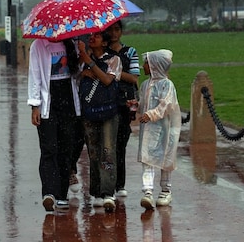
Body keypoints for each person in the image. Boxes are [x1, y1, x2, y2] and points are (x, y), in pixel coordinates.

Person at [28, 38, 80, 212]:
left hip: (69, 102)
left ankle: (62, 194)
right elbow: (34, 75)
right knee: (49, 148)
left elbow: (78, 74)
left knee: (66, 148)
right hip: (47, 102)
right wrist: (35, 105)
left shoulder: (72, 43)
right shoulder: (38, 45)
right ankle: (49, 193)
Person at [77, 31, 122, 212]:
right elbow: (75, 79)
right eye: (91, 36)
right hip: (89, 112)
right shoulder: (81, 61)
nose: (92, 38)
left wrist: (89, 61)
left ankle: (108, 191)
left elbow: (106, 80)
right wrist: (82, 71)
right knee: (93, 152)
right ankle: (95, 191)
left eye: (97, 36)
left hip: (109, 112)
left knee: (108, 150)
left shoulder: (114, 60)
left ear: (104, 42)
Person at [137, 49, 182, 210]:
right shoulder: (145, 85)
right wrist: (135, 106)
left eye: (147, 63)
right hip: (149, 129)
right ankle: (147, 191)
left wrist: (151, 114)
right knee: (147, 158)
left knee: (165, 158)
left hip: (166, 128)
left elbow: (166, 105)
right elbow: (142, 102)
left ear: (156, 65)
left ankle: (165, 190)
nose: (144, 67)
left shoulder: (167, 85)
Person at [107, 20, 140, 199]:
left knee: (120, 144)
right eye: (110, 30)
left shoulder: (130, 52)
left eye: (117, 29)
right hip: (106, 102)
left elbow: (134, 78)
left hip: (125, 103)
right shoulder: (102, 52)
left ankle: (120, 184)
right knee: (107, 145)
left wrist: (114, 73)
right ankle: (108, 184)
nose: (113, 33)